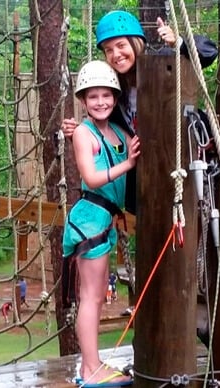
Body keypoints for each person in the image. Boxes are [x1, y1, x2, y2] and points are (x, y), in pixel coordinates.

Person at [63, 10, 218, 215]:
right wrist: (76, 131)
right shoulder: (112, 89)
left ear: (135, 43)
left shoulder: (162, 64)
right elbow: (104, 134)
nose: (116, 55)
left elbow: (209, 52)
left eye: (121, 46)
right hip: (147, 179)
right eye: (109, 50)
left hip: (183, 166)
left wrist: (178, 42)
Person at [62, 60, 140, 386]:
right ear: (83, 101)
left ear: (115, 97)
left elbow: (134, 138)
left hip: (104, 219)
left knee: (94, 297)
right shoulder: (84, 132)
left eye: (106, 95)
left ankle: (93, 365)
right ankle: (88, 368)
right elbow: (92, 178)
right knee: (91, 297)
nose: (100, 102)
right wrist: (129, 164)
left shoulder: (118, 132)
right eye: (92, 97)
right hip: (90, 217)